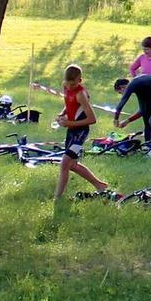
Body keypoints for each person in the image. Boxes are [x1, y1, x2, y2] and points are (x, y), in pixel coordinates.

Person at [53, 65, 112, 201]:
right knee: (72, 165)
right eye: (67, 83)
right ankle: (100, 185)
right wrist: (62, 114)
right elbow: (69, 103)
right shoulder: (66, 86)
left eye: (73, 83)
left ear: (80, 80)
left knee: (64, 164)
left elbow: (92, 119)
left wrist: (69, 123)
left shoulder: (81, 94)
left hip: (80, 131)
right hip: (71, 130)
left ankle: (57, 198)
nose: (69, 86)